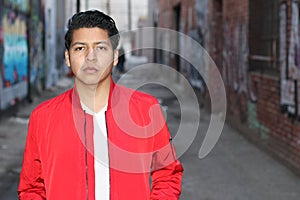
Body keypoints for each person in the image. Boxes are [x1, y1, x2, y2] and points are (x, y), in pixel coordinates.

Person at [18, 10, 183, 200]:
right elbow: (31, 188)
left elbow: (168, 174)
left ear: (114, 56)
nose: (91, 57)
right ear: (67, 57)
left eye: (101, 48)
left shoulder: (146, 110)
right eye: (80, 48)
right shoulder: (43, 117)